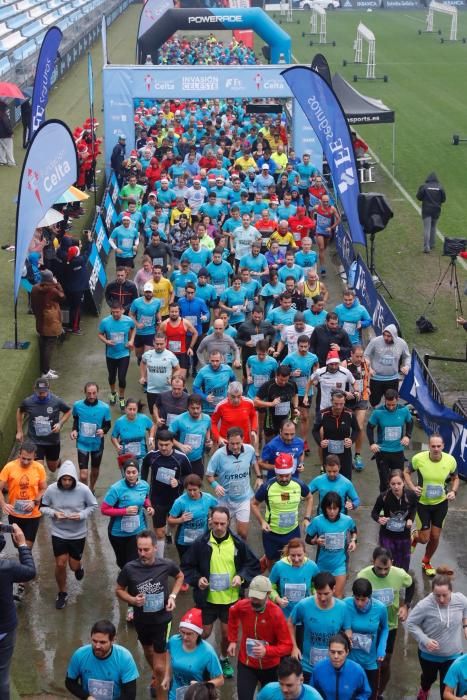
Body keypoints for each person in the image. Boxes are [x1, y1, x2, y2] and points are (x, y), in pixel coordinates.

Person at [181, 506, 260, 679]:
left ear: (228, 522)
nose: (218, 527)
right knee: (203, 632)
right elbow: (186, 566)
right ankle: (199, 660)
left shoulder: (238, 543)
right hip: (207, 599)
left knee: (227, 634)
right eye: (215, 523)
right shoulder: (200, 543)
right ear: (210, 521)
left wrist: (241, 577)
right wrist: (197, 580)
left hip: (230, 600)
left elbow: (253, 565)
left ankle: (223, 659)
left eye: (222, 523)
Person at [116, 529, 184, 700]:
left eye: (146, 549)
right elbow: (118, 590)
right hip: (141, 620)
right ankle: (157, 674)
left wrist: (173, 596)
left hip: (162, 620)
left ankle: (162, 687)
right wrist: (132, 599)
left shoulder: (165, 564)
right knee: (147, 650)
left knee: (160, 667)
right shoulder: (129, 568)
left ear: (155, 548)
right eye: (139, 549)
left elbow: (180, 576)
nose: (142, 553)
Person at [358, 546, 414, 697]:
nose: (383, 572)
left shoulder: (399, 574)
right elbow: (358, 599)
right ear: (372, 562)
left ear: (392, 563)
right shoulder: (363, 575)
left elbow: (411, 584)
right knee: (367, 661)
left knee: (385, 662)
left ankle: (378, 693)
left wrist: (406, 605)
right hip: (369, 625)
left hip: (390, 624)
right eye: (379, 568)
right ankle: (364, 690)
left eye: (386, 569)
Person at [40, 460, 97, 609]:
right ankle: (62, 592)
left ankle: (79, 567)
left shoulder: (83, 489)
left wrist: (82, 515)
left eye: (69, 479)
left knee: (73, 565)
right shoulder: (52, 490)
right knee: (60, 563)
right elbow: (43, 507)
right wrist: (54, 513)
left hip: (78, 534)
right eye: (64, 479)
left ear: (74, 479)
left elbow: (93, 505)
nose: (66, 482)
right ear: (59, 479)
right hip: (59, 532)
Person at [227, 575, 293, 700]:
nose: (254, 601)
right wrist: (232, 640)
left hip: (270, 667)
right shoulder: (243, 606)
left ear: (268, 594)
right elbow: (232, 613)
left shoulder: (276, 614)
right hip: (246, 664)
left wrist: (267, 651)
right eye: (252, 596)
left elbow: (287, 646)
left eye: (258, 598)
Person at [407, 567, 467, 700]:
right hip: (429, 655)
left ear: (451, 590)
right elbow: (411, 623)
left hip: (453, 655)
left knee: (446, 691)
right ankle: (424, 689)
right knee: (429, 679)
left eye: (444, 595)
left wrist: (465, 625)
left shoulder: (460, 600)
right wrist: (425, 639)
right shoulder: (425, 605)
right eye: (437, 595)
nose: (441, 599)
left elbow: (465, 610)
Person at [405, 434, 459, 576]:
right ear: (429, 446)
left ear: (443, 446)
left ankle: (426, 561)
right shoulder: (419, 459)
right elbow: (406, 472)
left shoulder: (450, 460)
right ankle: (415, 537)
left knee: (435, 537)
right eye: (433, 446)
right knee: (424, 539)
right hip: (422, 503)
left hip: (440, 503)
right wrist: (412, 487)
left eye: (438, 446)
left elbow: (455, 478)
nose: (436, 449)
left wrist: (453, 491)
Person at [287, 571, 352, 683]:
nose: (322, 598)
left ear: (334, 589)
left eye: (326, 593)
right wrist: (294, 647)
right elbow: (290, 623)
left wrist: (347, 643)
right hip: (308, 666)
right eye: (319, 593)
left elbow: (348, 629)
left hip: (332, 665)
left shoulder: (342, 607)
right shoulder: (304, 605)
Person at [252, 453, 312, 571]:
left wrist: (307, 518)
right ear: (276, 472)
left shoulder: (299, 485)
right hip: (271, 533)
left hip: (292, 532)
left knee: (294, 562)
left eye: (287, 475)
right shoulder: (267, 486)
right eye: (280, 476)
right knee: (271, 562)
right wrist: (262, 522)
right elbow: (254, 503)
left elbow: (309, 497)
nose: (284, 479)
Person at [141, 430, 192, 558]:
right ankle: (160, 560)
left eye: (167, 445)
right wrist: (142, 485)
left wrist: (179, 481)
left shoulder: (181, 458)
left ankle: (169, 531)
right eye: (161, 444)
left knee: (172, 524)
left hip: (175, 500)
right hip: (157, 499)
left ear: (172, 444)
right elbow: (144, 468)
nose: (163, 448)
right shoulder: (152, 456)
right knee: (159, 533)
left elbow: (189, 477)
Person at [0, 523, 36, 700]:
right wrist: (22, 545)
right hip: (4, 628)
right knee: (2, 675)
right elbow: (30, 572)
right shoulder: (6, 567)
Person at [206, 427, 261, 541]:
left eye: (238, 443)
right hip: (225, 499)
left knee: (243, 533)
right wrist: (216, 485)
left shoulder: (249, 450)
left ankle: (240, 555)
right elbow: (209, 475)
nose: (235, 447)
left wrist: (259, 477)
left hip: (243, 498)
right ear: (227, 440)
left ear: (243, 440)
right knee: (221, 531)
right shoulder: (218, 455)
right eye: (232, 444)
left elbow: (254, 461)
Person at [65, 619, 139, 700]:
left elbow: (130, 694)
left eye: (102, 642)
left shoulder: (125, 657)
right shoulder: (80, 655)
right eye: (94, 641)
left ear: (112, 640)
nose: (97, 646)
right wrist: (87, 697)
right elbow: (70, 683)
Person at [162, 608, 224, 700]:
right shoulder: (174, 641)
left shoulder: (208, 652)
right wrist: (167, 675)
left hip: (197, 696)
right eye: (182, 632)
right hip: (175, 694)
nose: (185, 637)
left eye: (189, 634)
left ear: (198, 633)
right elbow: (169, 653)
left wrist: (202, 685)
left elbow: (220, 680)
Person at [305, 491, 357, 598]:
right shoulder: (317, 521)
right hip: (322, 565)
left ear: (340, 508)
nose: (332, 512)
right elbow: (307, 539)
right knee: (321, 596)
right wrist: (316, 541)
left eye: (335, 508)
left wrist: (353, 541)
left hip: (339, 565)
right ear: (324, 508)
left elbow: (354, 530)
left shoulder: (347, 520)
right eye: (329, 508)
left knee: (337, 596)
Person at [344, 579, 389, 698]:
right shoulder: (345, 604)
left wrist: (381, 647)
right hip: (350, 659)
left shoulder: (380, 608)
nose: (359, 603)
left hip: (370, 661)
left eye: (363, 599)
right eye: (357, 598)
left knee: (369, 694)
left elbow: (385, 628)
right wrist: (346, 628)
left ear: (370, 596)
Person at [16, 378, 71, 473]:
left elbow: (68, 411)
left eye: (44, 391)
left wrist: (60, 424)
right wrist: (20, 431)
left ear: (48, 389)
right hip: (35, 441)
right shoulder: (28, 402)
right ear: (35, 389)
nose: (42, 394)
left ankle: (57, 462)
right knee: (39, 469)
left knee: (52, 468)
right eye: (39, 392)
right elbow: (20, 411)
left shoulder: (56, 401)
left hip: (52, 441)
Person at [370, 469, 417, 572]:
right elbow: (374, 513)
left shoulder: (411, 495)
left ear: (404, 482)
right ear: (389, 484)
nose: (396, 487)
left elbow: (414, 508)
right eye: (393, 484)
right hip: (387, 535)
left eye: (399, 483)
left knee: (403, 564)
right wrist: (379, 519)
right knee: (386, 563)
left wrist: (410, 519)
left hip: (404, 535)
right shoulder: (383, 497)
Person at [367, 388, 413, 492]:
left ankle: (399, 503)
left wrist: (407, 436)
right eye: (388, 405)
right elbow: (369, 427)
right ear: (385, 401)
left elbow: (410, 422)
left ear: (397, 399)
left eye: (393, 405)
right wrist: (372, 443)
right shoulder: (378, 412)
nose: (391, 407)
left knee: (398, 480)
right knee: (384, 481)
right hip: (382, 451)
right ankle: (384, 505)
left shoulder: (404, 410)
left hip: (398, 451)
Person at [70, 382, 111, 491]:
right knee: (83, 475)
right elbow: (76, 419)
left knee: (95, 470)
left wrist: (103, 430)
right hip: (82, 443)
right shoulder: (77, 405)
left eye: (94, 393)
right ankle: (85, 492)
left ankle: (91, 488)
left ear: (98, 392)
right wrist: (74, 430)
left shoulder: (104, 407)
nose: (92, 396)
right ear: (85, 393)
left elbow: (108, 424)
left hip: (97, 444)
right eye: (89, 393)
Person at [168, 474, 218, 563]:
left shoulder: (208, 498)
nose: (192, 493)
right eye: (189, 490)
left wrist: (213, 518)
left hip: (202, 539)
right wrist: (180, 520)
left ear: (200, 488)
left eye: (195, 490)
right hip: (184, 542)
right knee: (187, 567)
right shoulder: (180, 501)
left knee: (203, 565)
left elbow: (218, 510)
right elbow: (170, 520)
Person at [312, 390, 360, 480]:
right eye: (336, 404)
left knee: (346, 479)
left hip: (345, 453)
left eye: (341, 404)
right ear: (331, 401)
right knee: (329, 479)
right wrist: (320, 442)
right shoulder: (323, 414)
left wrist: (351, 440)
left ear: (345, 401)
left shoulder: (349, 414)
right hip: (329, 453)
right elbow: (315, 431)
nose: (338, 407)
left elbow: (356, 430)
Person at [282, 334, 319, 449]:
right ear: (297, 345)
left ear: (309, 346)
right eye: (301, 346)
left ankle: (303, 441)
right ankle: (290, 438)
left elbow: (316, 366)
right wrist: (292, 374)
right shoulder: (290, 357)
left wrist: (315, 377)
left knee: (304, 416)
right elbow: (281, 371)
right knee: (293, 416)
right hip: (292, 392)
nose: (303, 349)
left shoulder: (313, 357)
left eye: (305, 347)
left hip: (306, 392)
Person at [269, 538, 319, 620]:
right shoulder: (279, 566)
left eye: (299, 555)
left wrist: (315, 595)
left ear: (305, 553)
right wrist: (278, 599)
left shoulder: (312, 566)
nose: (296, 559)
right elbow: (270, 586)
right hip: (285, 615)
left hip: (305, 613)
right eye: (293, 555)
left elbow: (317, 586)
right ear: (288, 553)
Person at [98, 303, 136, 410]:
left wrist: (131, 340)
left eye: (117, 312)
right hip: (110, 354)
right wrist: (107, 341)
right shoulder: (105, 322)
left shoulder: (128, 320)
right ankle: (113, 393)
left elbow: (133, 329)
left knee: (122, 378)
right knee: (111, 376)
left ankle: (122, 397)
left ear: (122, 310)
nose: (115, 314)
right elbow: (100, 334)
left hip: (124, 354)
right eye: (113, 312)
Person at [311, 633, 372, 700]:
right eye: (332, 652)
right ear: (328, 651)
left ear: (347, 652)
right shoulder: (318, 669)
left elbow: (366, 692)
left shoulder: (357, 670)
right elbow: (311, 692)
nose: (336, 656)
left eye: (340, 653)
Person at [363, 325, 410, 408]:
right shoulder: (375, 341)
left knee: (392, 401)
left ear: (394, 335)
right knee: (374, 401)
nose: (385, 338)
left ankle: (389, 417)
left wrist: (407, 366)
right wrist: (369, 368)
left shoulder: (402, 343)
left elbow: (407, 356)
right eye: (384, 335)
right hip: (376, 378)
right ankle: (376, 415)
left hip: (392, 378)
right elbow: (366, 355)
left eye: (389, 336)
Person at [30, 269, 65, 379]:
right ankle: (45, 372)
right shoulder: (53, 290)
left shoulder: (35, 288)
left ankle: (46, 369)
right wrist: (57, 284)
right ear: (51, 278)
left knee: (44, 344)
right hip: (51, 322)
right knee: (49, 347)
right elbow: (63, 297)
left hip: (40, 320)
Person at [170, 394, 212, 477]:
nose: (196, 411)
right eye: (193, 408)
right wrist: (180, 445)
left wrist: (208, 440)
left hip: (198, 459)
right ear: (188, 407)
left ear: (201, 407)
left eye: (198, 408)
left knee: (197, 483)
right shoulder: (179, 419)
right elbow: (168, 437)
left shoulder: (207, 419)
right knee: (179, 484)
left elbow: (208, 430)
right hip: (181, 458)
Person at [139, 333, 180, 417]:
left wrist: (173, 378)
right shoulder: (148, 354)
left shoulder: (170, 355)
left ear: (166, 343)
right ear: (153, 343)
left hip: (166, 390)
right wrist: (143, 376)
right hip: (151, 390)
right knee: (153, 413)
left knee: (165, 413)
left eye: (161, 344)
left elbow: (178, 369)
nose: (159, 346)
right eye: (157, 344)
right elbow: (142, 363)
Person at [254, 365, 299, 439]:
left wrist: (296, 408)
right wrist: (271, 404)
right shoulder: (268, 385)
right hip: (271, 421)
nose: (284, 382)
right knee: (270, 445)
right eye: (281, 380)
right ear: (276, 375)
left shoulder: (292, 384)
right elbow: (255, 402)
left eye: (286, 380)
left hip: (286, 419)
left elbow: (295, 395)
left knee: (286, 442)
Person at [346, 345, 371, 471]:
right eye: (357, 356)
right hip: (347, 399)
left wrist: (368, 387)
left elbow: (367, 376)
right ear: (351, 354)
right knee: (345, 427)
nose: (359, 359)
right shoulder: (345, 364)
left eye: (361, 356)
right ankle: (346, 454)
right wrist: (345, 393)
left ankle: (358, 455)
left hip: (361, 398)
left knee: (359, 426)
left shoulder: (365, 363)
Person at [210, 382, 258, 449]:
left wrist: (253, 430)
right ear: (228, 394)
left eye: (239, 396)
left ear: (242, 394)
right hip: (226, 443)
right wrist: (218, 438)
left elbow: (253, 416)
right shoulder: (220, 406)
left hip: (244, 442)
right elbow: (213, 423)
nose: (236, 400)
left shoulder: (249, 403)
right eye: (233, 396)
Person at [111, 399, 155, 466]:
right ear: (125, 409)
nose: (132, 412)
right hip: (125, 455)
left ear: (137, 409)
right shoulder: (119, 422)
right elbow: (113, 437)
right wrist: (117, 445)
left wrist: (151, 437)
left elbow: (152, 426)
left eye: (134, 409)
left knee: (140, 475)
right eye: (130, 409)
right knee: (129, 475)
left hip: (142, 454)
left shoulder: (143, 418)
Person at [159, 303, 198, 379]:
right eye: (172, 312)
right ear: (169, 312)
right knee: (169, 379)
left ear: (179, 312)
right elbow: (159, 338)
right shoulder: (164, 324)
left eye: (176, 312)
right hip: (168, 354)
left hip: (182, 354)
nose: (174, 314)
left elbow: (195, 333)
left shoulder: (185, 322)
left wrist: (190, 347)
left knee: (181, 378)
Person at [257, 656, 324, 700]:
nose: (284, 689)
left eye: (289, 685)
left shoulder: (314, 697)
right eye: (281, 684)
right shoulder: (268, 691)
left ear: (301, 680)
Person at [192, 349, 236, 415]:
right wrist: (205, 397)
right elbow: (195, 388)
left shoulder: (228, 369)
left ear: (221, 360)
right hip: (208, 409)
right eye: (212, 361)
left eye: (217, 361)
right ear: (209, 360)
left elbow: (234, 382)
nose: (214, 363)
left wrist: (230, 394)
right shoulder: (203, 371)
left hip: (224, 407)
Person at [129, 282, 162, 363]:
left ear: (152, 292)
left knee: (147, 356)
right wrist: (137, 324)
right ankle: (139, 359)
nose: (148, 294)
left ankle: (145, 373)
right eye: (146, 292)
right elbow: (131, 314)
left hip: (150, 332)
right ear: (143, 292)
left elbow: (157, 312)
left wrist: (159, 320)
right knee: (138, 354)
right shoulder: (136, 302)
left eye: (150, 292)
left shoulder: (157, 302)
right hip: (139, 332)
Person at [416, 172, 446, 253]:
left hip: (427, 210)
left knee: (427, 228)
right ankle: (432, 244)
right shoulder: (440, 187)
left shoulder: (424, 186)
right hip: (436, 210)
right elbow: (443, 199)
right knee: (433, 227)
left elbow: (418, 197)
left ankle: (426, 247)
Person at [312, 193, 340, 276]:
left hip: (327, 231)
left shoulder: (332, 209)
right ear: (321, 201)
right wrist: (313, 220)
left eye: (327, 201)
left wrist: (331, 228)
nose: (325, 203)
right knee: (321, 247)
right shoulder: (317, 207)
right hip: (319, 230)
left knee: (324, 248)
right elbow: (311, 212)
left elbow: (338, 219)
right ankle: (323, 268)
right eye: (324, 201)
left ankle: (320, 257)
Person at [0, 101, 15, 166]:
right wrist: (11, 133)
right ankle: (11, 162)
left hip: (0, 135)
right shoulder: (4, 115)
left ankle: (2, 161)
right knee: (9, 148)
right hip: (6, 135)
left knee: (1, 148)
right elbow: (7, 125)